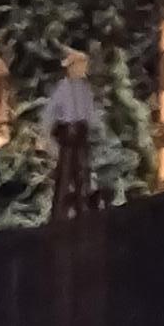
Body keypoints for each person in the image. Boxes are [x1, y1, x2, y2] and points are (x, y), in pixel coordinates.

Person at [43, 49, 100, 223]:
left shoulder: (84, 89)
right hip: (67, 136)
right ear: (72, 68)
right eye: (80, 66)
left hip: (81, 135)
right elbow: (49, 112)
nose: (83, 69)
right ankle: (58, 213)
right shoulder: (63, 88)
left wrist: (95, 127)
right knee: (65, 173)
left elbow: (90, 112)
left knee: (82, 172)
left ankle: (83, 208)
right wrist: (45, 134)